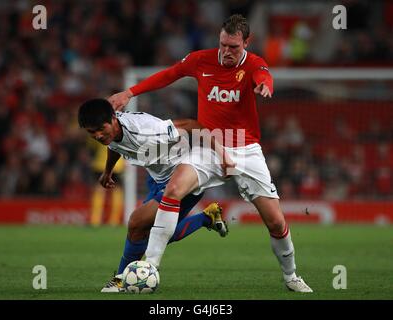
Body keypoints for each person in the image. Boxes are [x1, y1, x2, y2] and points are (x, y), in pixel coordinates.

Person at [108, 14, 313, 292]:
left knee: (276, 222)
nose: (227, 52)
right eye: (223, 45)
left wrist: (266, 84)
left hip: (245, 148)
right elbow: (169, 75)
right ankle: (150, 267)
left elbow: (264, 74)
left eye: (234, 47)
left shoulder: (254, 63)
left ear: (246, 43)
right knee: (173, 190)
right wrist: (130, 92)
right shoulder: (200, 59)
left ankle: (291, 276)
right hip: (208, 143)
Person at [78, 98, 232, 292]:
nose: (98, 135)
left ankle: (120, 280)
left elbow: (191, 125)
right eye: (92, 132)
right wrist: (107, 171)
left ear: (113, 119)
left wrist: (222, 154)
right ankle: (205, 218)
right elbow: (115, 145)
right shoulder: (113, 132)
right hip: (158, 179)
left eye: (101, 129)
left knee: (136, 222)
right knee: (149, 233)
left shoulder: (146, 130)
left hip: (183, 178)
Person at [88, 138, 125, 226]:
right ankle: (114, 221)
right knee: (117, 190)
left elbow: (91, 144)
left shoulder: (98, 130)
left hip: (101, 163)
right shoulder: (119, 129)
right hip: (117, 164)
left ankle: (95, 220)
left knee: (99, 190)